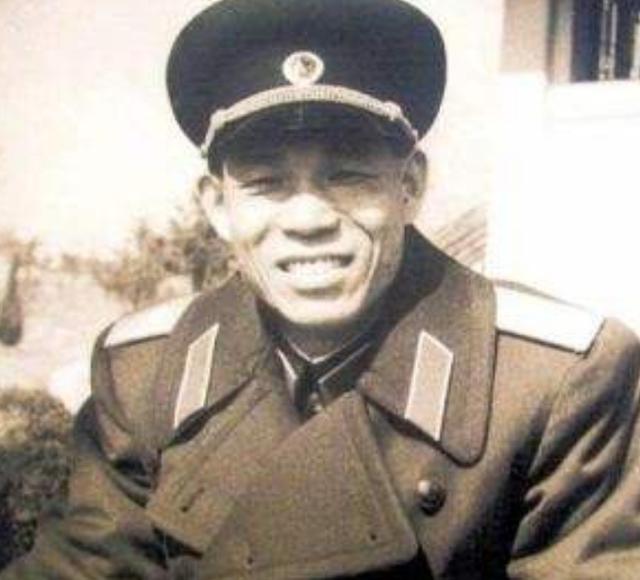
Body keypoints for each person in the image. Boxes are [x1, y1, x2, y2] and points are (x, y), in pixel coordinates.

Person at [4, 0, 640, 577]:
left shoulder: (555, 382)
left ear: (409, 186)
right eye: (265, 183)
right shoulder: (147, 372)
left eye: (348, 175)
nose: (307, 219)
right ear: (217, 207)